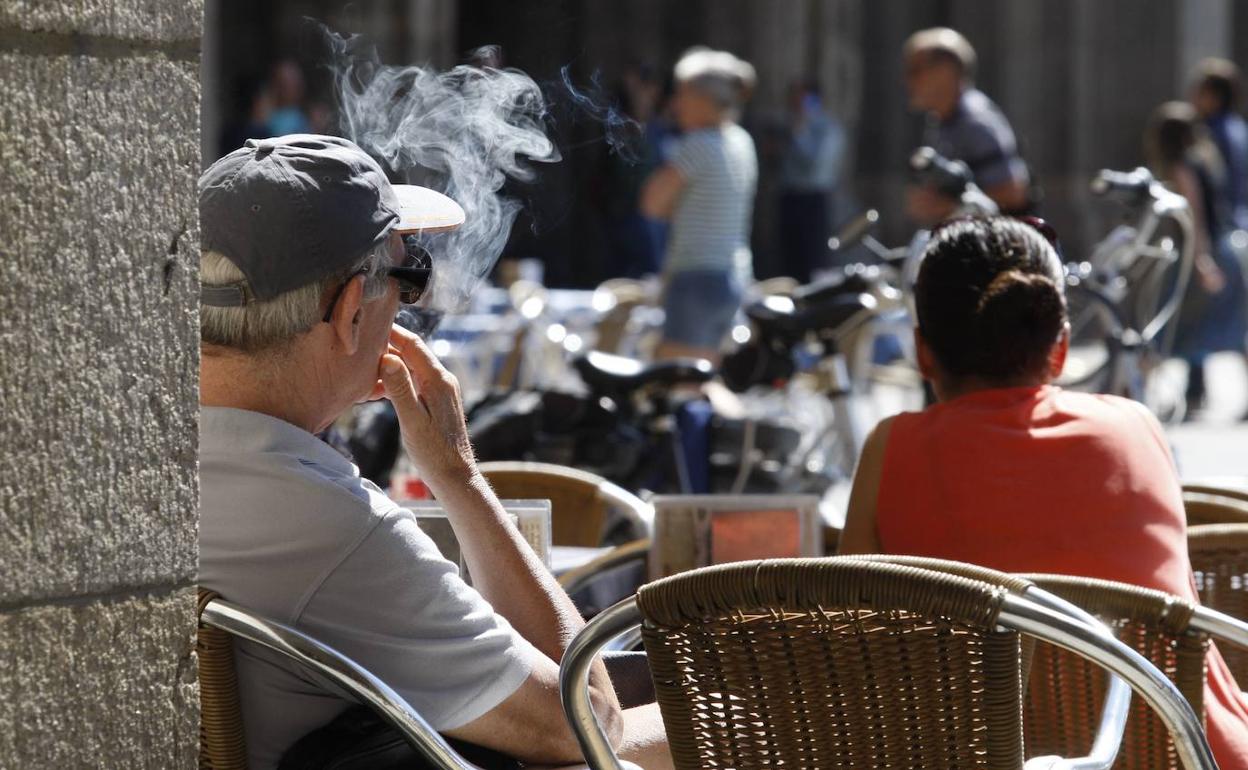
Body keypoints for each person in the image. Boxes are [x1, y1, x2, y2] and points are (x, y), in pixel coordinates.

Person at [197, 134, 670, 770]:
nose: (408, 313)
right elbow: (587, 722)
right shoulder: (331, 530)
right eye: (409, 277)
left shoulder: (147, 461)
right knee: (752, 719)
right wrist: (458, 475)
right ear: (347, 313)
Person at [837, 216, 1248, 768]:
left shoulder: (893, 447)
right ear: (1058, 350)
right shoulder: (1134, 426)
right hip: (1192, 755)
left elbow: (844, 632)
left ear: (923, 353)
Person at [641, 47, 758, 364]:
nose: (675, 104)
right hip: (731, 278)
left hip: (696, 278)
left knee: (678, 380)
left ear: (704, 99)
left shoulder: (696, 145)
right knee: (707, 376)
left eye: (682, 94)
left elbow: (652, 203)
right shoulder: (741, 142)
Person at [1146, 101, 1247, 416]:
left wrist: (1202, 260)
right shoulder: (1206, 158)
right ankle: (1179, 393)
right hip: (1224, 251)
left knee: (1165, 328)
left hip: (1198, 255)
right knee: (1228, 329)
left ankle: (1134, 394)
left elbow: (1196, 217)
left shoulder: (1182, 167)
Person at [902, 28, 1030, 225]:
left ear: (946, 72)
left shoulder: (976, 121)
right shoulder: (940, 121)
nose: (909, 80)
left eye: (916, 70)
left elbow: (1013, 191)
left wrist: (944, 206)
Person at [776, 79, 846, 283]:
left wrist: (800, 131)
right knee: (789, 255)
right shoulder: (788, 124)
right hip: (790, 195)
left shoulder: (827, 127)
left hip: (812, 197)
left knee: (812, 255)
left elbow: (814, 163)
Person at [1191, 58, 1248, 230]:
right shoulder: (1238, 127)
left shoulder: (1211, 133)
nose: (1194, 98)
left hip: (1222, 226)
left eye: (1200, 92)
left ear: (1215, 96)